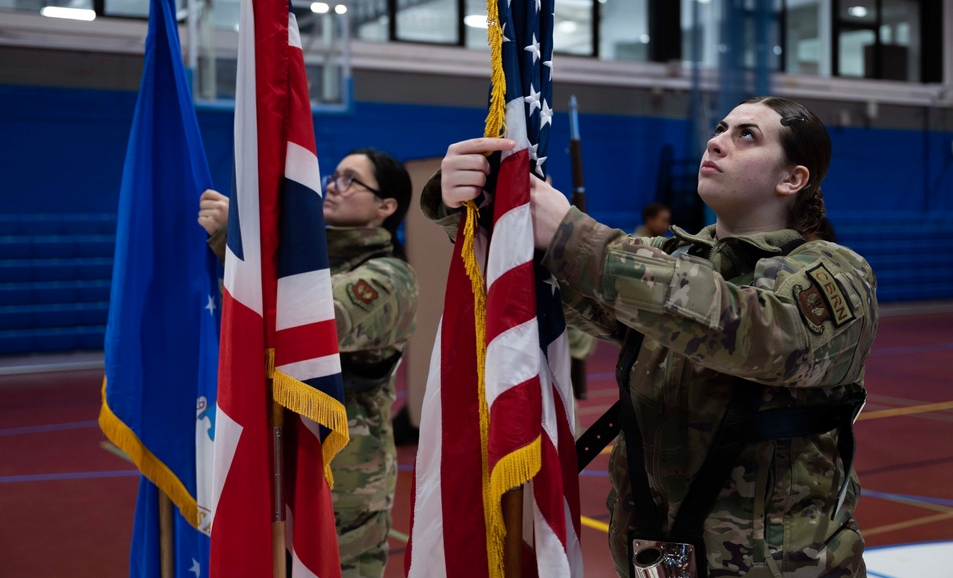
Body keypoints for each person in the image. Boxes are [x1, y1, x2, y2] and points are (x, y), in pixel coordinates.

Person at [424, 96, 877, 577]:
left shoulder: (837, 272)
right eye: (720, 128)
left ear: (793, 179)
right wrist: (477, 207)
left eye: (747, 135)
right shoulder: (675, 257)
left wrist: (571, 233)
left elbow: (756, 331)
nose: (718, 141)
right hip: (656, 562)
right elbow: (549, 293)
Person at [199, 148, 417, 578]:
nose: (333, 186)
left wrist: (238, 242)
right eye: (334, 175)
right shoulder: (308, 260)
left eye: (352, 180)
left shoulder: (390, 279)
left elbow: (305, 325)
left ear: (385, 207)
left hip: (344, 479)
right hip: (276, 458)